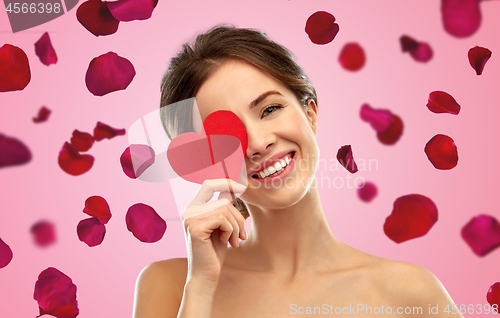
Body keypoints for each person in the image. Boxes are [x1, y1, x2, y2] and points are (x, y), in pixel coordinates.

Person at [132, 25, 463, 318]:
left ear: (311, 112)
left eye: (270, 109)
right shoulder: (170, 287)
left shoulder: (409, 293)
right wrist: (201, 287)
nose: (258, 143)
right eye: (224, 136)